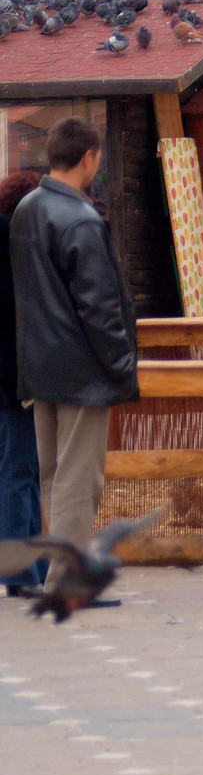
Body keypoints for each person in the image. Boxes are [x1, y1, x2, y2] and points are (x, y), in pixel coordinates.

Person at [10, 118, 138, 605]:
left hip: (39, 364)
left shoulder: (27, 207)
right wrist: (123, 368)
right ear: (90, 157)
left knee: (53, 475)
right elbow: (100, 308)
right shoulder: (81, 219)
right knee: (78, 480)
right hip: (83, 369)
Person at [0, 171, 45, 598]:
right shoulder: (15, 247)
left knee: (23, 469)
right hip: (15, 376)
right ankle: (17, 571)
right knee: (18, 472)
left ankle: (33, 566)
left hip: (10, 375)